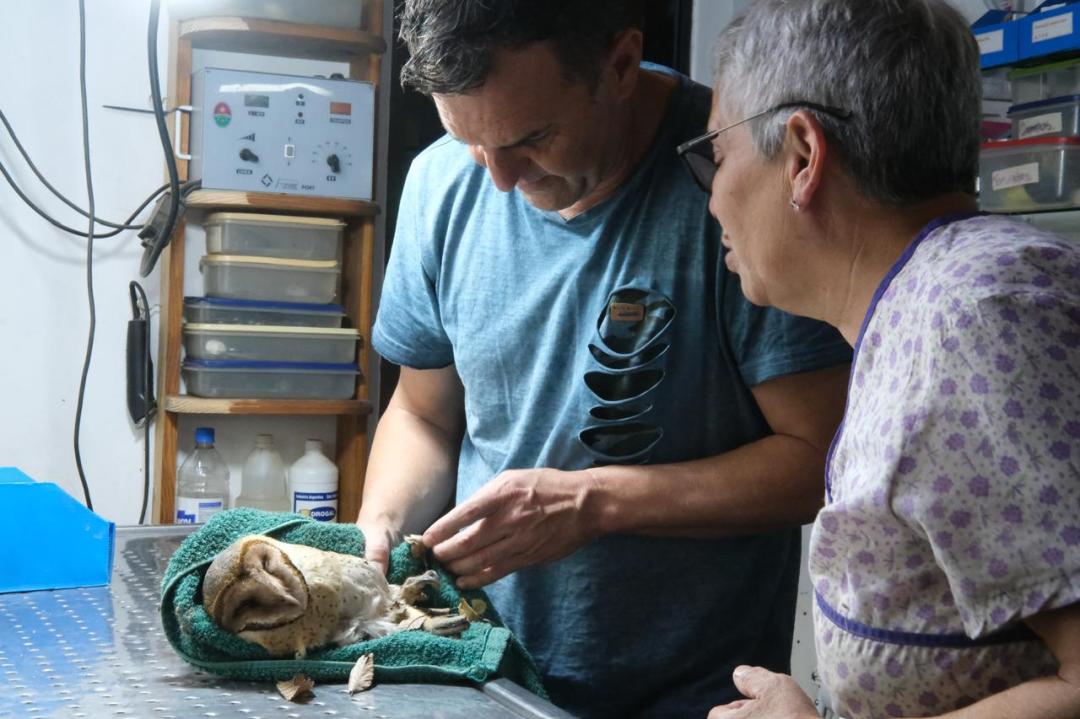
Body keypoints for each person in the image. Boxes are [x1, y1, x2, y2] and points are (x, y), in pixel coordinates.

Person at [358, 1, 853, 716]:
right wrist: (381, 524)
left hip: (695, 694)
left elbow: (821, 460)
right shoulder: (442, 183)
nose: (499, 178)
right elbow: (423, 414)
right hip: (483, 673)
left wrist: (592, 503)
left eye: (531, 138)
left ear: (620, 64)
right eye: (468, 139)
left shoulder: (739, 177)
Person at [682, 1, 1080, 718]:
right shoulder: (915, 309)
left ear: (802, 156)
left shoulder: (971, 321)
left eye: (717, 157)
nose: (712, 203)